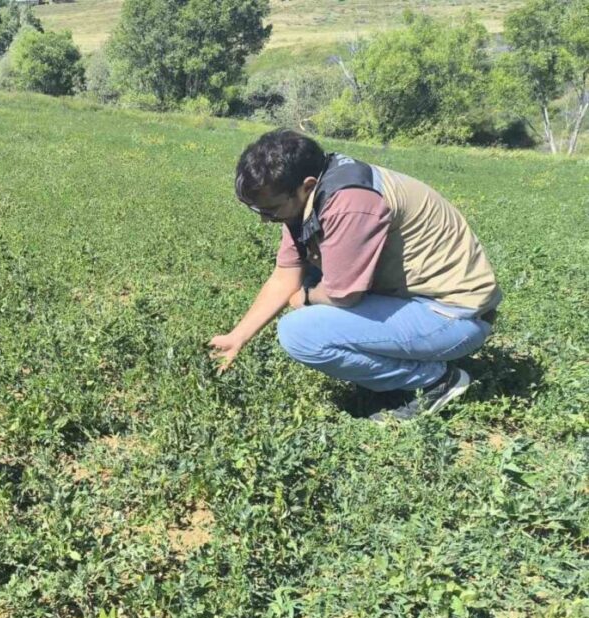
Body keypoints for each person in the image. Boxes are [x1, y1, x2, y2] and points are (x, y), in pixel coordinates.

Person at [207, 129, 501, 422]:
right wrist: (238, 337)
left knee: (299, 332)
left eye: (270, 210)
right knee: (309, 283)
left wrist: (306, 298)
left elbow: (342, 295)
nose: (264, 219)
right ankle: (399, 376)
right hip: (416, 303)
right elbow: (285, 276)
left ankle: (435, 381)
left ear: (306, 186)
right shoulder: (309, 197)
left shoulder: (349, 202)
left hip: (453, 316)